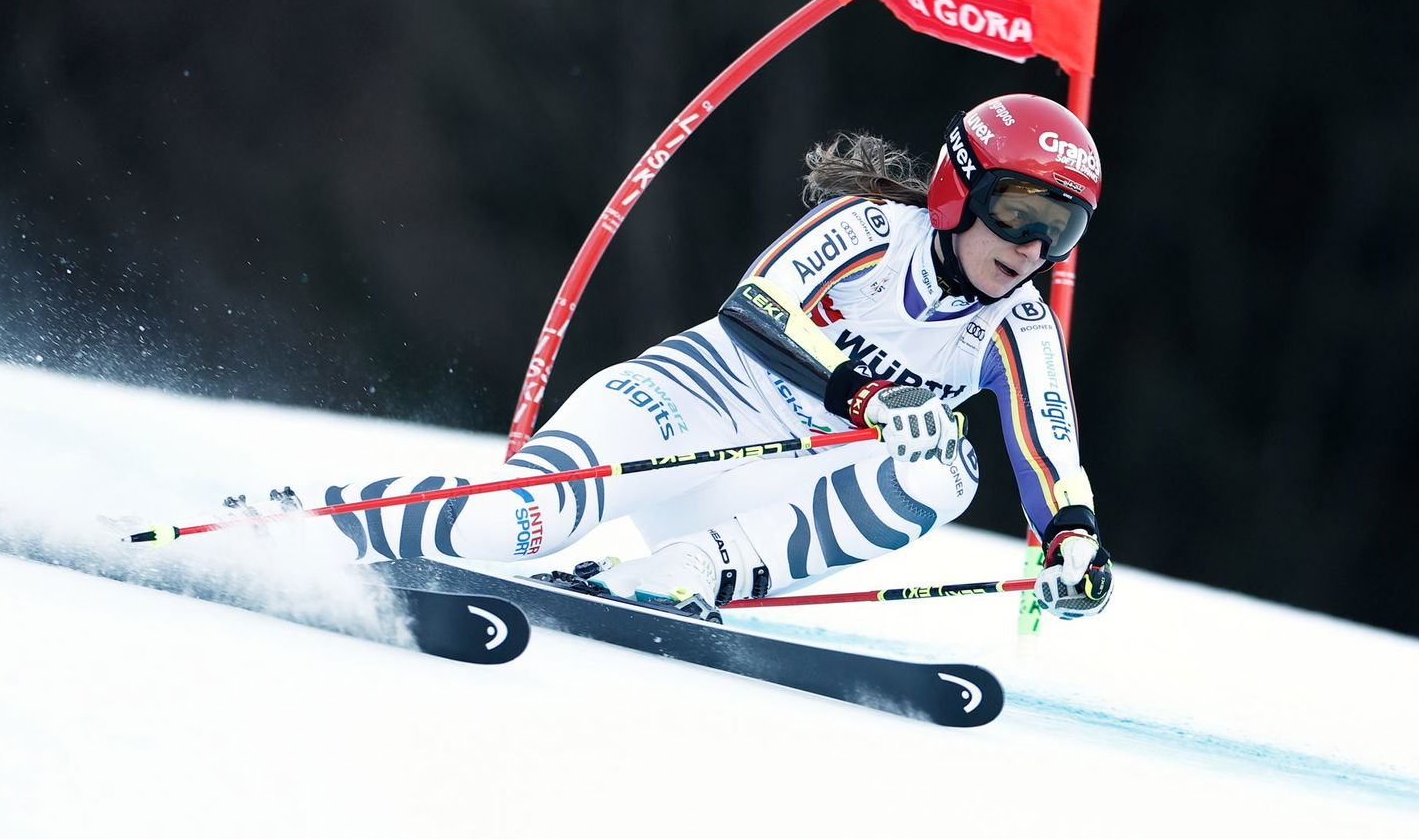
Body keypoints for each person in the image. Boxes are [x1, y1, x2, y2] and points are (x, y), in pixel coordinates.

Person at [328, 93, 1113, 620]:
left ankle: (687, 572)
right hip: (686, 407)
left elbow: (1048, 445)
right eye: (1018, 213)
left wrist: (1071, 539)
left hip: (767, 488)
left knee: (947, 469)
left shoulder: (1021, 326)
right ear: (961, 192)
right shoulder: (873, 229)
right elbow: (758, 307)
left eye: (1061, 229)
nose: (1032, 247)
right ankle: (300, 526)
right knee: (519, 522)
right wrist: (871, 397)